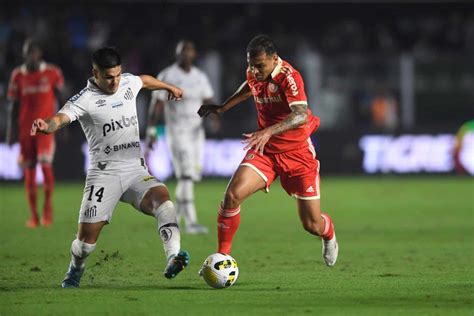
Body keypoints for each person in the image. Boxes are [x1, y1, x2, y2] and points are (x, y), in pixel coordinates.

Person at [30, 47, 189, 288]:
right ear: (95, 73)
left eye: (117, 75)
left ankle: (173, 257)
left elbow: (144, 81)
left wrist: (169, 87)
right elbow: (60, 118)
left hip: (135, 170)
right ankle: (75, 270)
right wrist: (46, 125)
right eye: (108, 77)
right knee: (85, 245)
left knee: (164, 202)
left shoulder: (126, 83)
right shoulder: (84, 99)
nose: (115, 82)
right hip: (103, 175)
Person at [198, 35, 339, 267]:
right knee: (232, 196)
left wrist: (268, 131)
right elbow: (250, 87)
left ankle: (329, 233)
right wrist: (224, 107)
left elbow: (301, 114)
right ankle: (222, 256)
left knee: (311, 224)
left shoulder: (290, 77)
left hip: (297, 153)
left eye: (260, 66)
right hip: (267, 151)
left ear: (274, 59)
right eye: (251, 65)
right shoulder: (254, 71)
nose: (254, 70)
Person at [146, 40, 214, 234]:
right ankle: (191, 223)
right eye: (182, 52)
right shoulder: (167, 76)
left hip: (196, 134)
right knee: (185, 175)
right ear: (177, 55)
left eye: (189, 51)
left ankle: (174, 217)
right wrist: (151, 132)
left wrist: (214, 117)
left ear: (194, 55)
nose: (185, 55)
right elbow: (156, 105)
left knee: (190, 177)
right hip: (177, 132)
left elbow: (208, 99)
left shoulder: (200, 77)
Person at [6, 39, 64, 228]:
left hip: (46, 128)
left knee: (46, 165)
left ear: (38, 54)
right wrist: (10, 131)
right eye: (26, 53)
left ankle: (47, 210)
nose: (29, 56)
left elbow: (61, 98)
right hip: (25, 130)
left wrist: (63, 124)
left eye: (33, 52)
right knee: (29, 171)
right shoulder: (17, 75)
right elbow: (13, 106)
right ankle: (34, 216)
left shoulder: (52, 73)